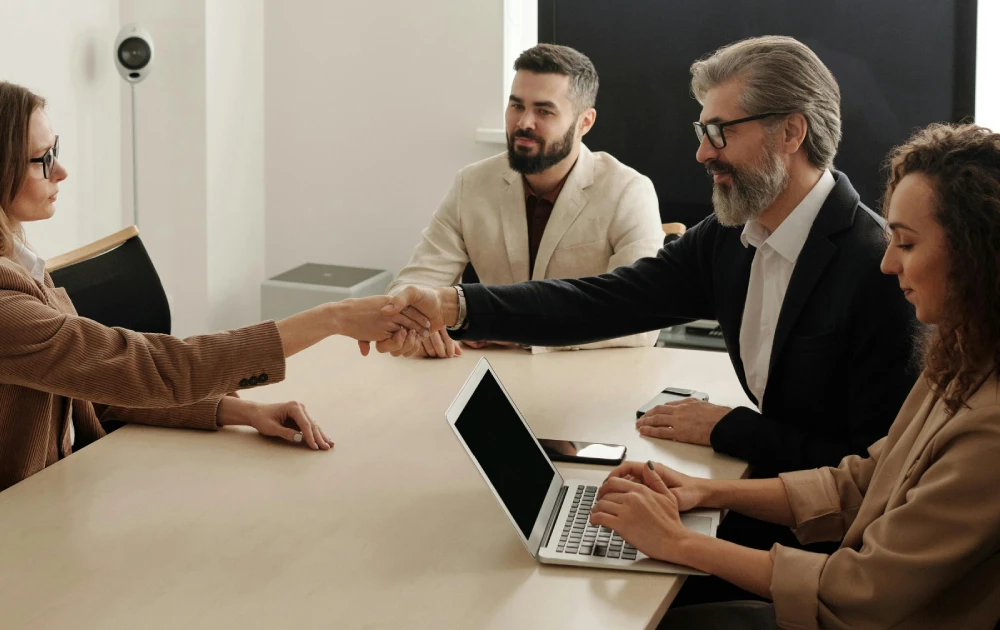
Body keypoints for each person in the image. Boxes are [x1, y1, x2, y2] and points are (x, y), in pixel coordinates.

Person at [379, 35, 919, 600]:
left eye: (718, 133)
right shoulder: (731, 238)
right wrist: (461, 306)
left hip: (827, 554)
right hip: (769, 498)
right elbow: (604, 300)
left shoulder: (877, 269)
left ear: (791, 132)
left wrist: (727, 427)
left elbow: (872, 476)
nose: (702, 154)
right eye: (700, 133)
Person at [0, 80, 429, 542]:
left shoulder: (12, 263)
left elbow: (95, 385)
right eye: (44, 159)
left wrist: (235, 411)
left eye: (57, 151)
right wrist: (329, 319)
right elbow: (139, 366)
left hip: (45, 506)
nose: (63, 173)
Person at [589, 122, 1000, 630]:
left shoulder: (990, 428)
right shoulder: (962, 360)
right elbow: (860, 483)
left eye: (908, 244)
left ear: (979, 256)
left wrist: (678, 541)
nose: (888, 263)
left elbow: (859, 592)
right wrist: (703, 491)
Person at [385, 43, 662, 358]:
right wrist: (421, 321)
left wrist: (518, 330)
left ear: (585, 122)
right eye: (516, 105)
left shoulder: (628, 191)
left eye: (544, 110)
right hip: (487, 377)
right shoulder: (472, 184)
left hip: (589, 380)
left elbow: (643, 319)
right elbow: (409, 288)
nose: (524, 122)